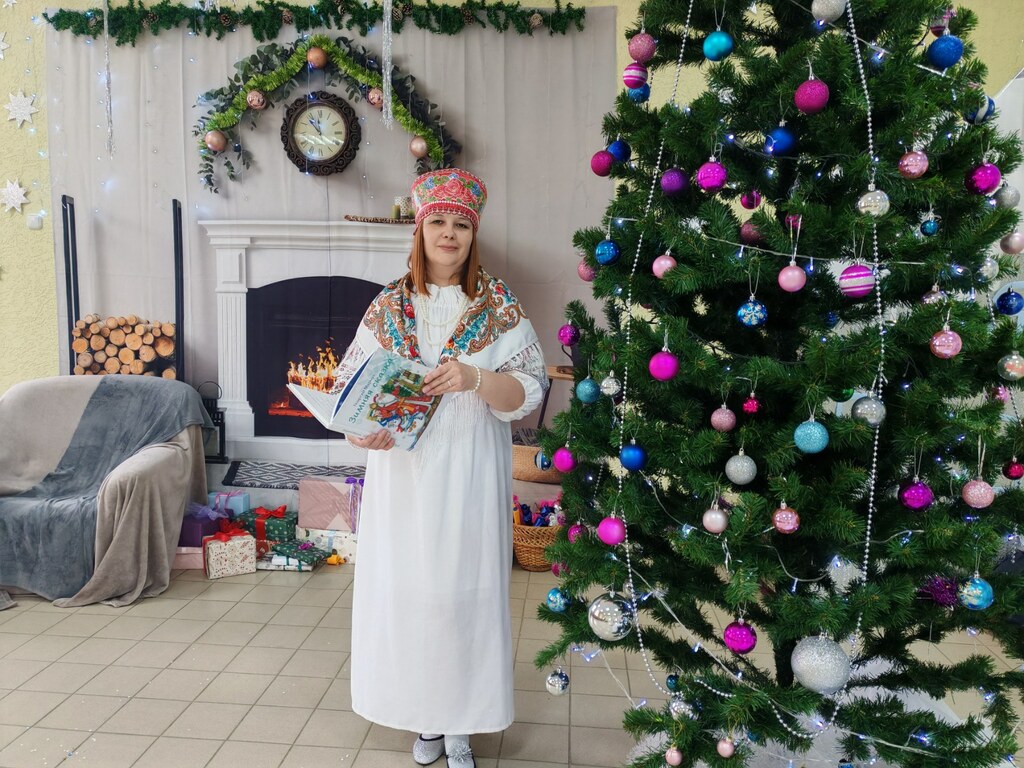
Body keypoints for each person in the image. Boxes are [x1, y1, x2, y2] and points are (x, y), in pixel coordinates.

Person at [331, 168, 549, 768]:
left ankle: (460, 725)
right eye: (439, 222)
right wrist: (362, 431)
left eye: (461, 225)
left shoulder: (498, 306)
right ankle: (425, 717)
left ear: (473, 235)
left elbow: (528, 393)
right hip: (402, 475)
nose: (449, 234)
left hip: (468, 470)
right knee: (410, 595)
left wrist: (476, 377)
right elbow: (350, 389)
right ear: (420, 230)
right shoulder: (387, 306)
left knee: (462, 596)